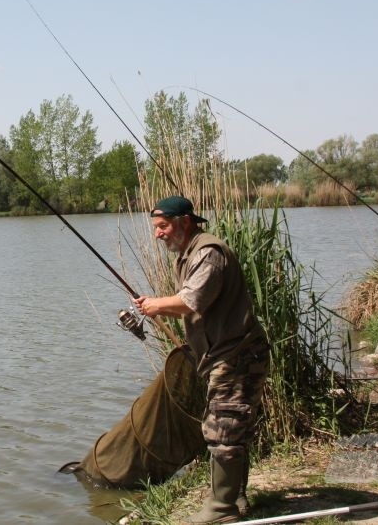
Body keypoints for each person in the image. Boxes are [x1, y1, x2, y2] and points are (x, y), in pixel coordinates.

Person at [136, 196, 270, 524]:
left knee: (221, 430)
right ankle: (235, 499)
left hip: (238, 355)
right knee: (231, 428)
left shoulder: (208, 253)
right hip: (224, 355)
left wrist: (155, 305)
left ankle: (221, 510)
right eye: (155, 228)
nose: (158, 234)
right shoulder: (187, 253)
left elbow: (191, 300)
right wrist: (155, 306)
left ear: (184, 221)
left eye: (163, 226)